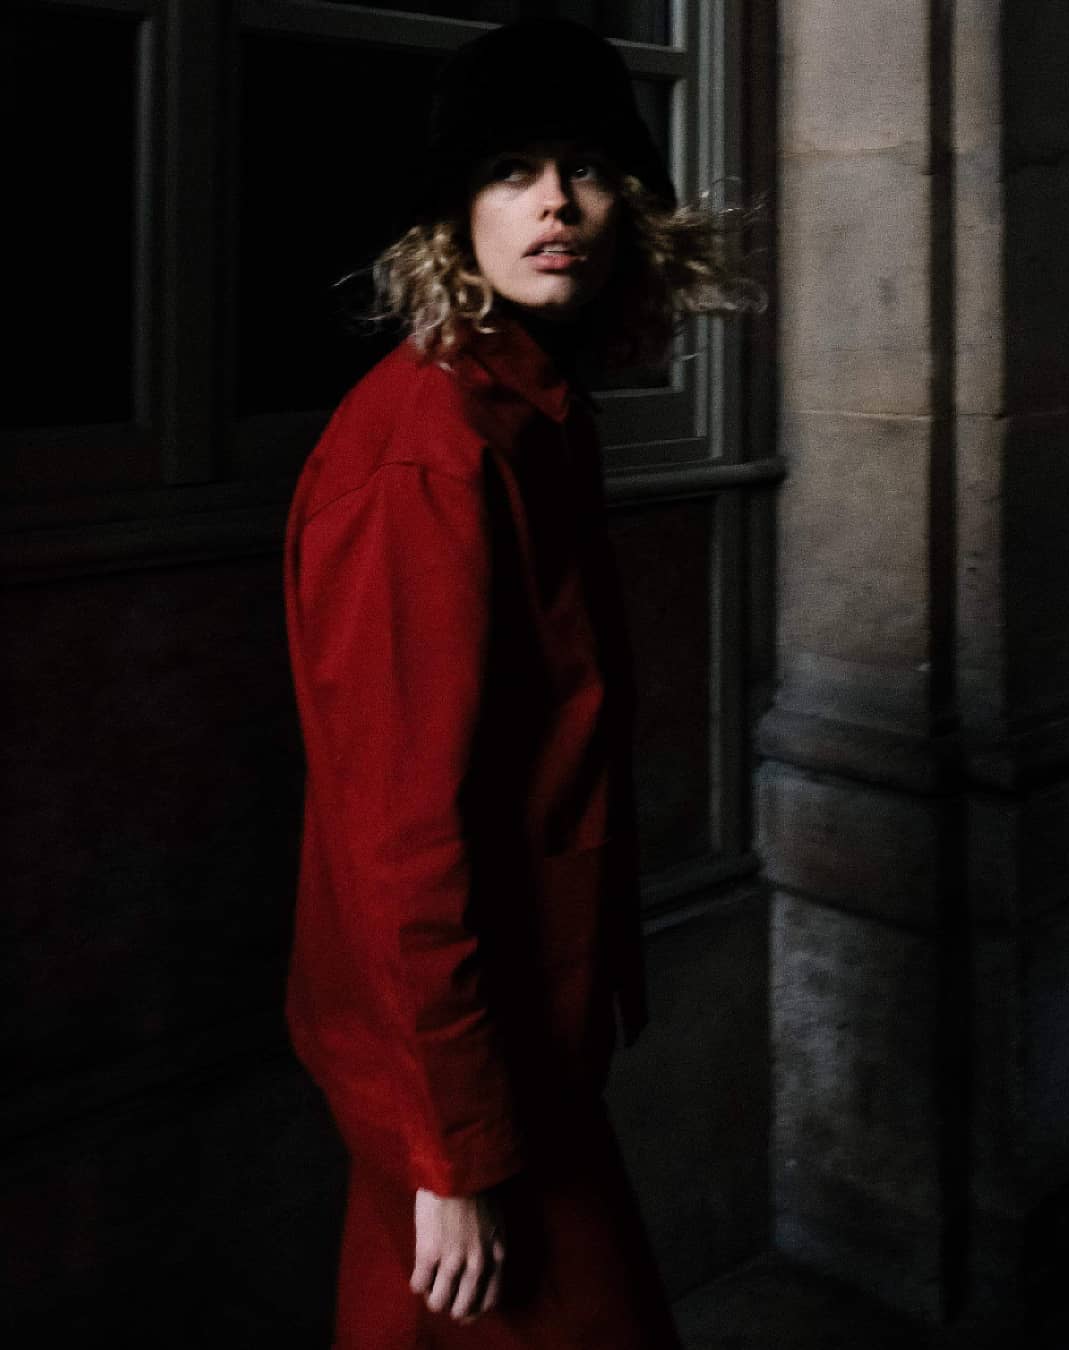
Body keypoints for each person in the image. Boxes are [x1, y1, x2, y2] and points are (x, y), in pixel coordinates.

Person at [283, 18, 758, 1349]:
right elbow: (401, 837)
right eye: (510, 170)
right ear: (454, 215)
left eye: (586, 168)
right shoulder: (431, 455)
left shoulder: (529, 406)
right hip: (462, 1074)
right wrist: (456, 1152)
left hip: (517, 1048)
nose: (556, 202)